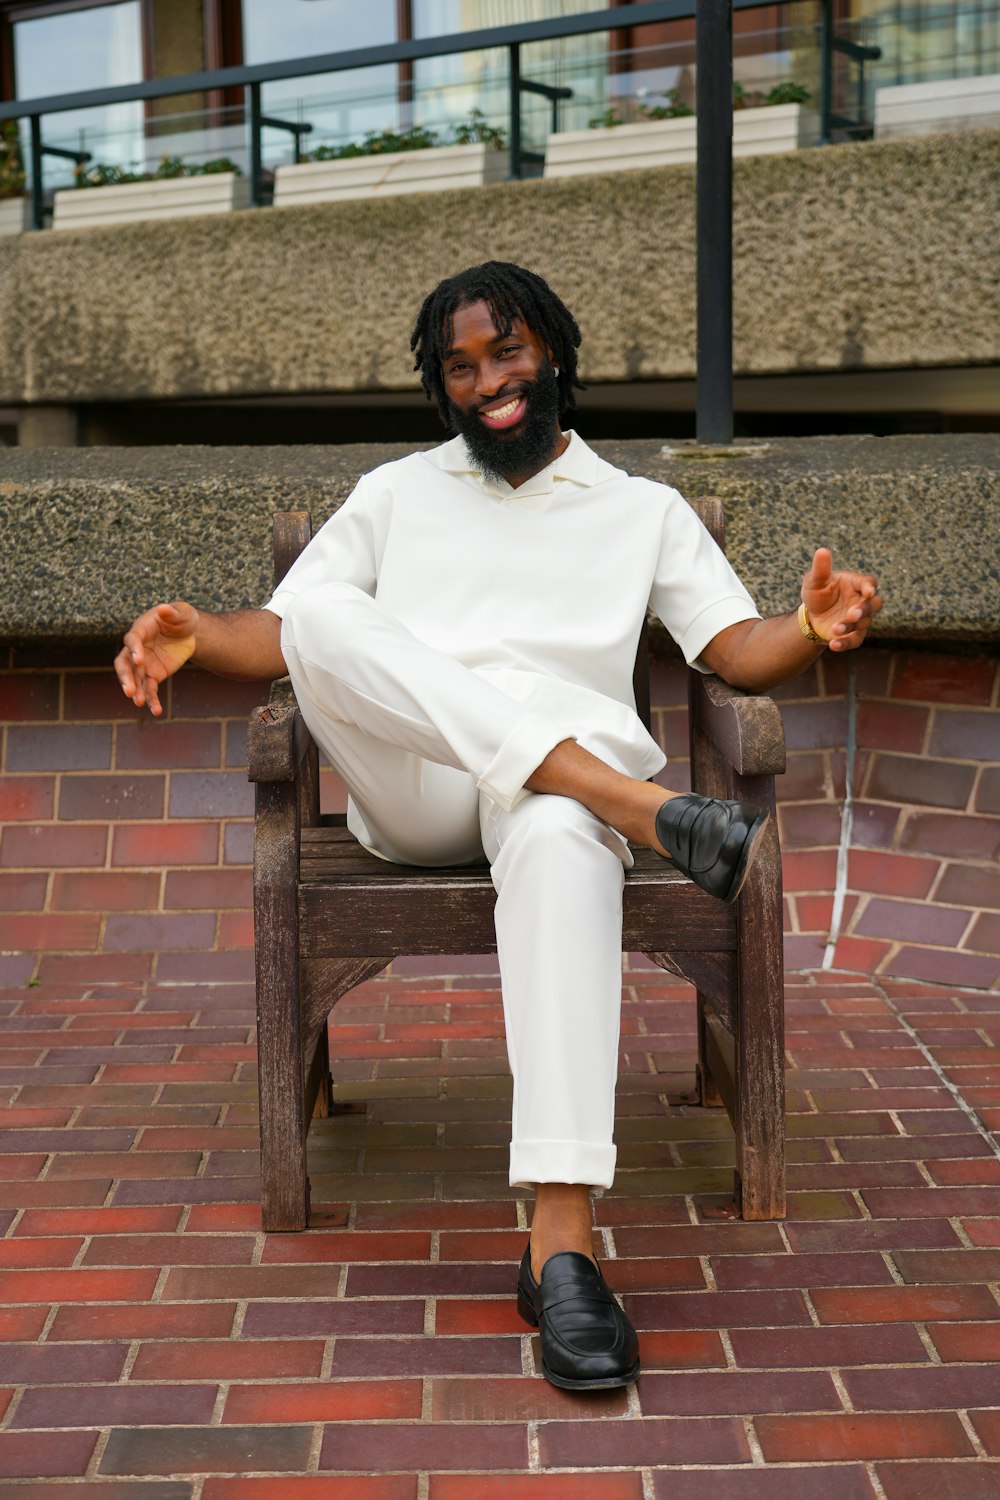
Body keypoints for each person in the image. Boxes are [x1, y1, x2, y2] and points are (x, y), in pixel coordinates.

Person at [116, 261, 881, 1393]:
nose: (489, 383)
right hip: (418, 795)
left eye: (508, 352)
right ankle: (640, 807)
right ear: (441, 384)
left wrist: (811, 627)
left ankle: (561, 1249)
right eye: (461, 366)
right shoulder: (394, 494)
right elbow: (288, 636)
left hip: (548, 815)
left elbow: (731, 651)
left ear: (553, 351)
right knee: (332, 610)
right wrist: (195, 636)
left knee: (565, 836)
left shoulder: (639, 510)